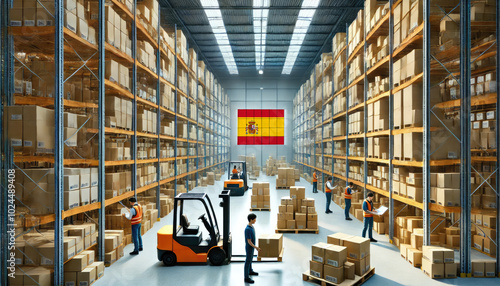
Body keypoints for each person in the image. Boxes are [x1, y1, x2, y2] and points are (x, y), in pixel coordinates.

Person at [244, 213, 260, 284]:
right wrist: (256, 247)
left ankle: (250, 271)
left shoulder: (252, 227)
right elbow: (249, 241)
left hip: (252, 247)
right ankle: (246, 277)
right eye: (254, 219)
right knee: (248, 261)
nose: (255, 220)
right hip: (249, 247)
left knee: (250, 259)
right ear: (251, 220)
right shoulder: (248, 229)